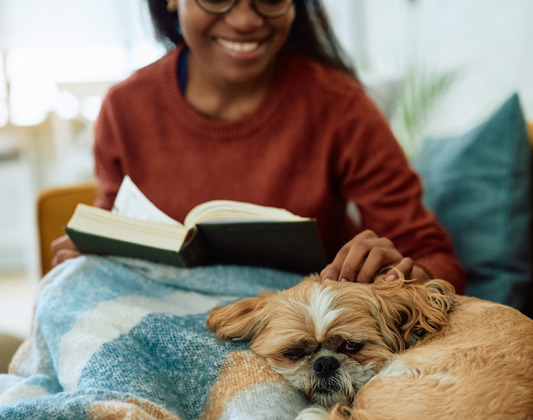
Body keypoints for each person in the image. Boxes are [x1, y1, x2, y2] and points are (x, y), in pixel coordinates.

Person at [50, 0, 465, 290]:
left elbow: (434, 257)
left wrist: (399, 276)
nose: (246, 20)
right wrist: (88, 257)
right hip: (165, 327)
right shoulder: (125, 108)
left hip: (298, 344)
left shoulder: (339, 105)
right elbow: (113, 232)